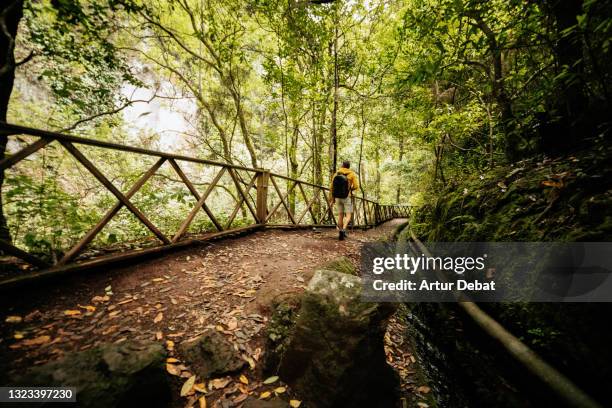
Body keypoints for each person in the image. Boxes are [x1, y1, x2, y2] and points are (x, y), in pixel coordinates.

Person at [329, 160, 359, 240]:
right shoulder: (352, 174)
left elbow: (331, 187)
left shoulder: (336, 173)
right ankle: (343, 230)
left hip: (338, 197)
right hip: (347, 197)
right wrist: (350, 189)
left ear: (342, 165)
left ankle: (340, 231)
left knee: (340, 215)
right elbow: (356, 186)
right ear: (349, 166)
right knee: (348, 215)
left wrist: (332, 198)